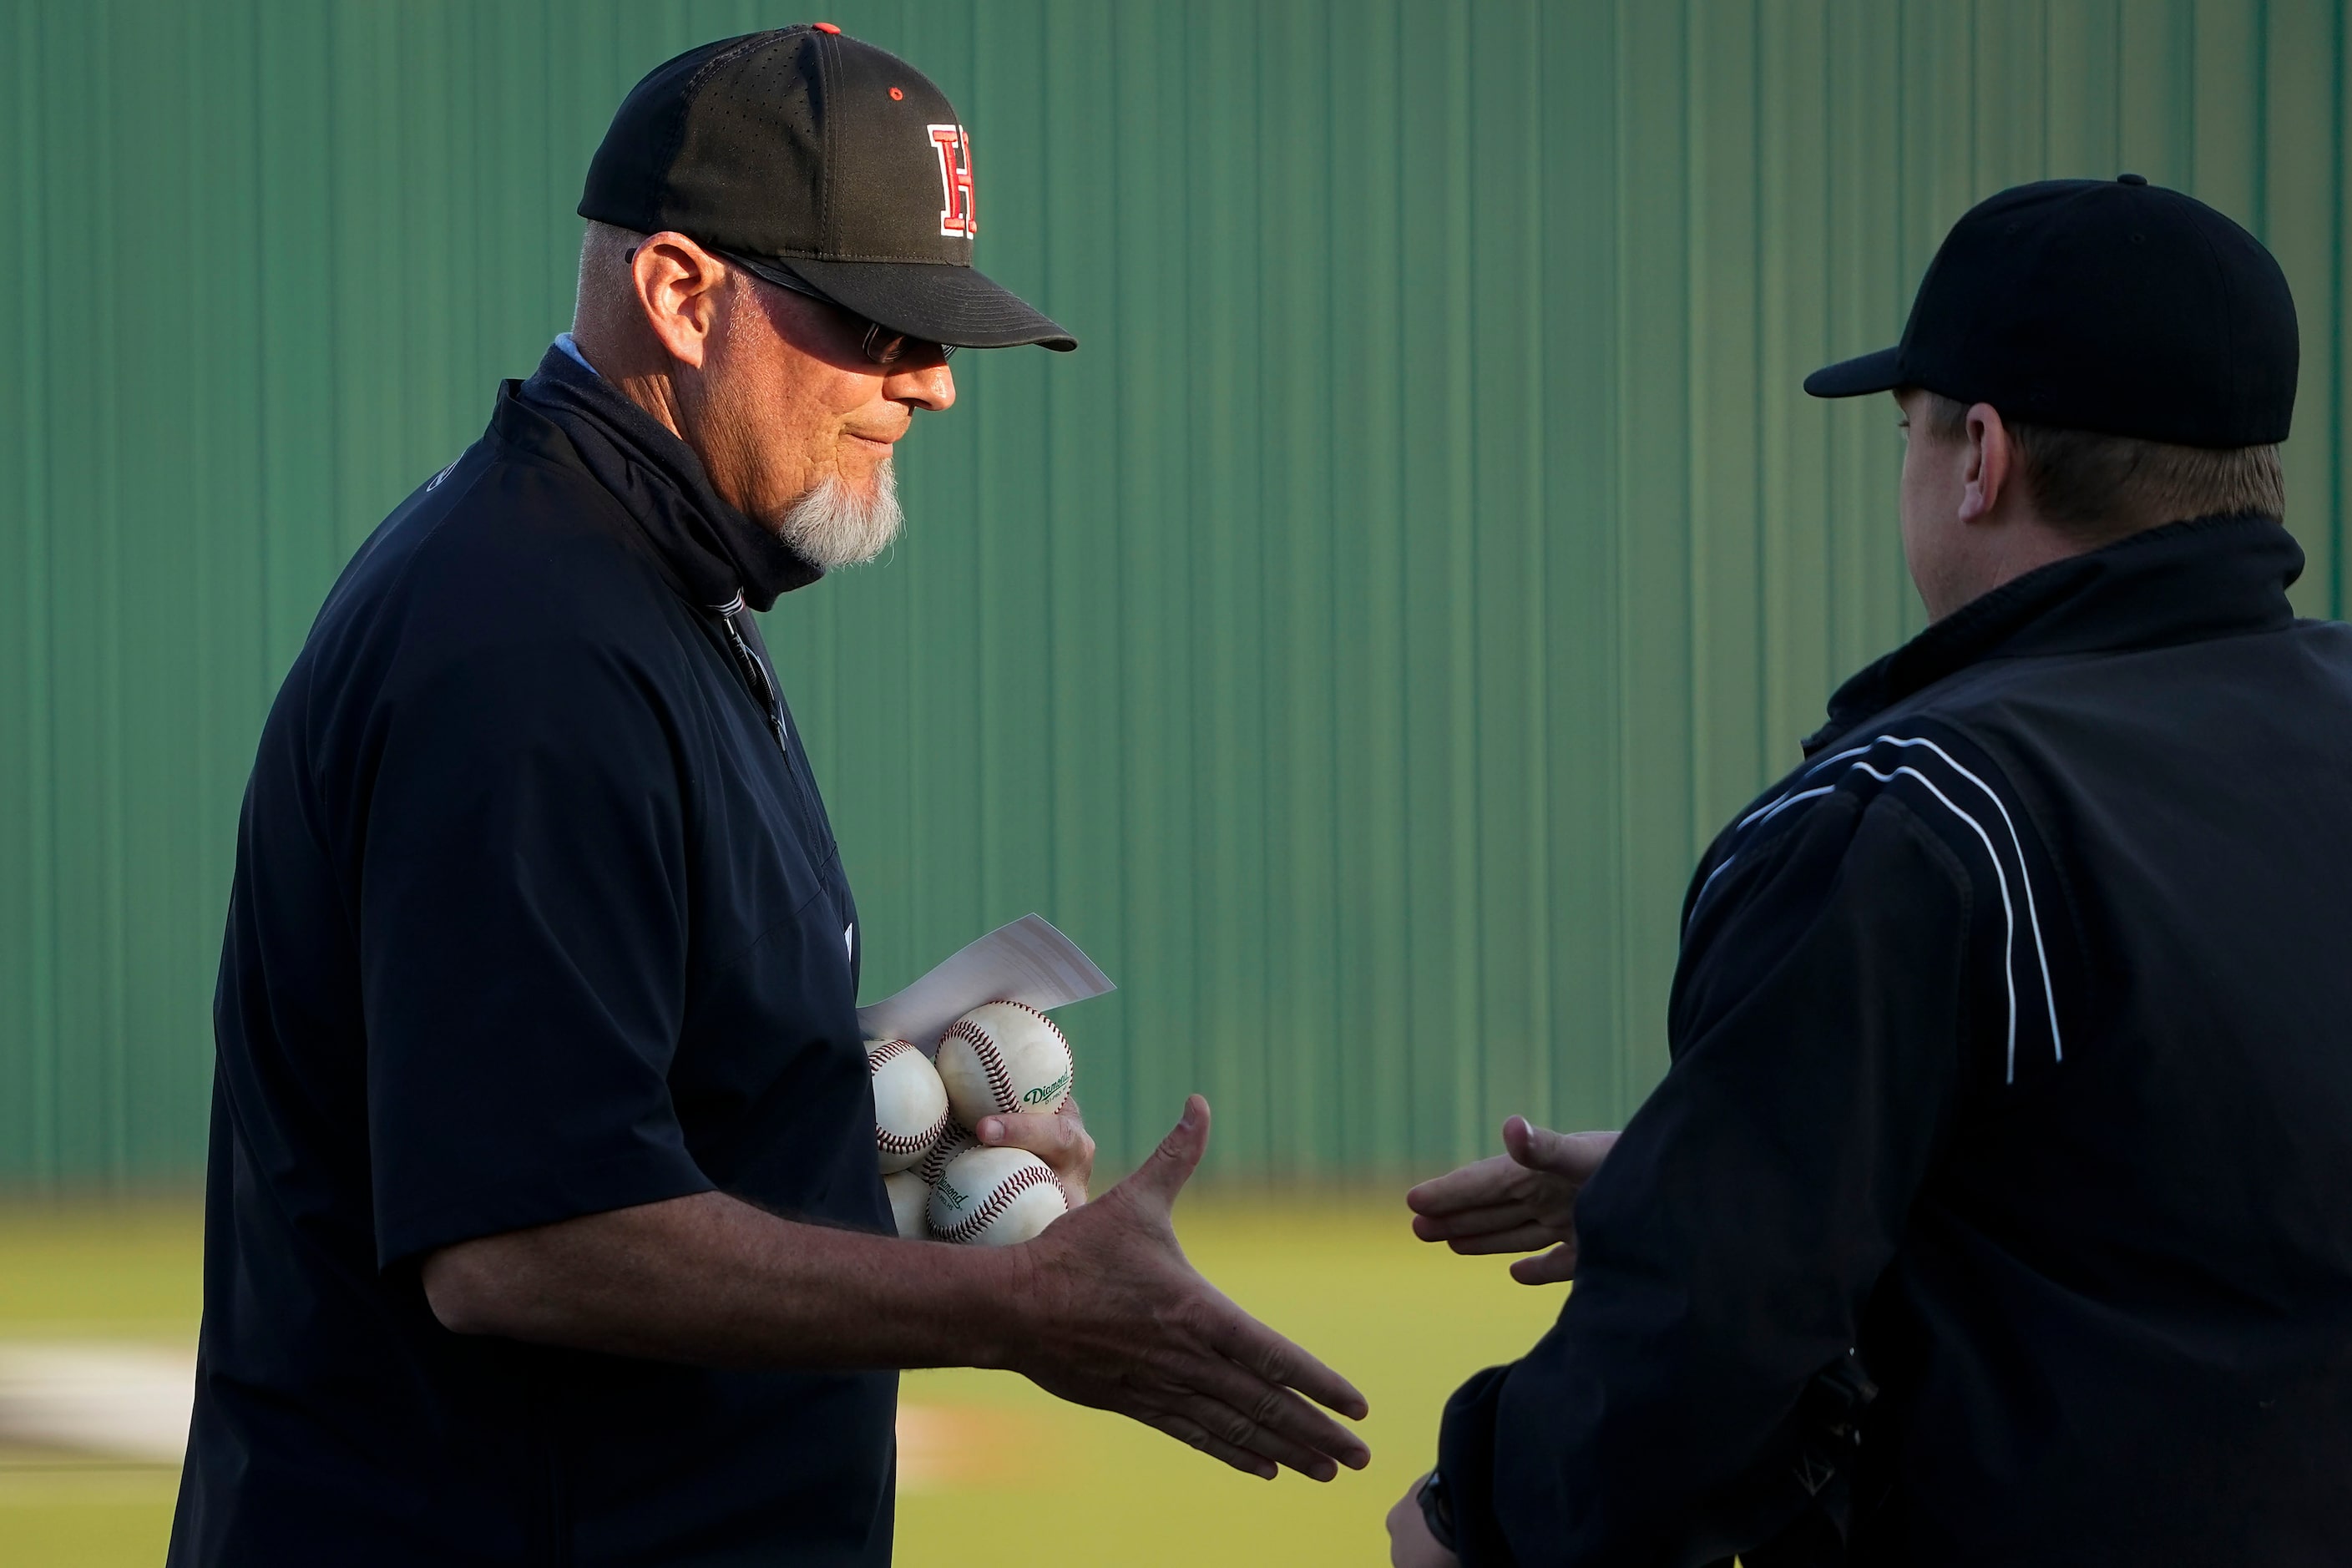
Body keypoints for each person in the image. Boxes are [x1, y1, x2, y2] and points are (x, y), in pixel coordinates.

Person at [167, 27, 1367, 1567]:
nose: (929, 382)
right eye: (878, 324)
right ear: (680, 292)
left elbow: (630, 1091)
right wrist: (1018, 1307)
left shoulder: (639, 582)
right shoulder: (529, 639)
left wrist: (869, 1130)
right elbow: (522, 1243)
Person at [1387, 175, 2352, 1566]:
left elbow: (1706, 1348)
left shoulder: (1912, 812)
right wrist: (1716, 1165)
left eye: (1907, 430)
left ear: (1980, 457)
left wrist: (1477, 1512)